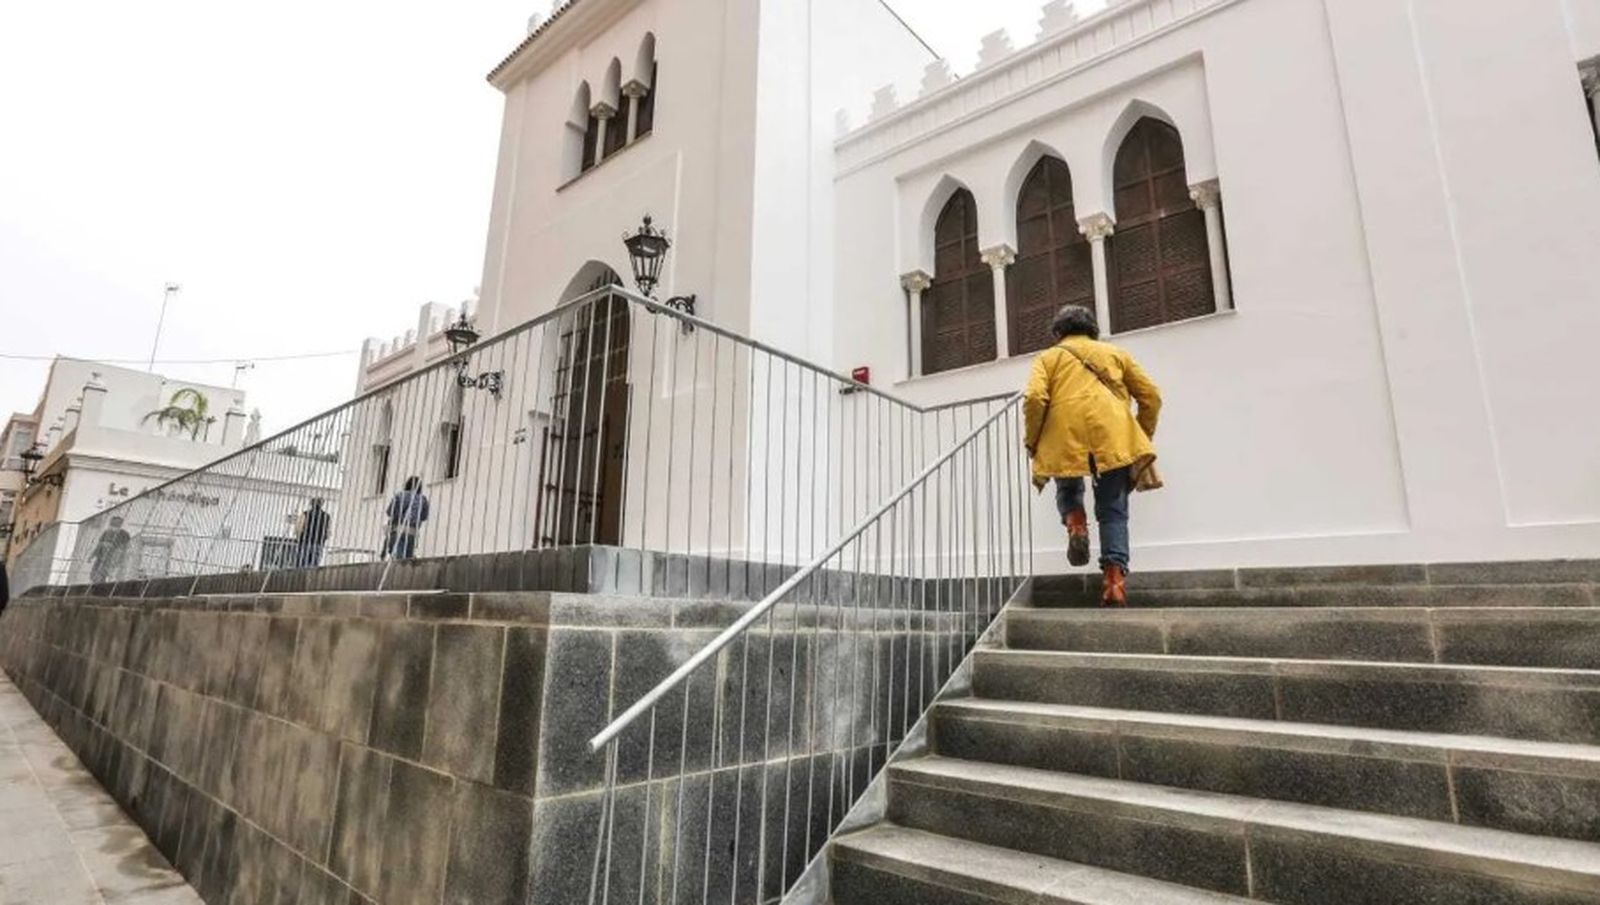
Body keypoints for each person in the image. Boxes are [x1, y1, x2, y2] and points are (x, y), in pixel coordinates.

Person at [1023, 305, 1162, 606]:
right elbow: (1151, 396)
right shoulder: (1114, 354)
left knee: (1068, 487)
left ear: (1058, 333)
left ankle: (1076, 524)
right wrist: (1138, 435)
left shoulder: (1048, 358)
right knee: (1113, 509)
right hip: (1111, 434)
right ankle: (1114, 583)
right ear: (1092, 330)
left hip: (1064, 435)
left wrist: (1032, 440)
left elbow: (1035, 398)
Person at [384, 476, 430, 561]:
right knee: (408, 560)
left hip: (398, 530)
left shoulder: (399, 496)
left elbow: (389, 512)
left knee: (398, 559)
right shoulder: (423, 500)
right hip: (412, 532)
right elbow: (424, 517)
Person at [89, 516, 133, 585]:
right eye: (113, 525)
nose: (114, 528)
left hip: (113, 558)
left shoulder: (124, 534)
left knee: (109, 575)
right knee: (94, 574)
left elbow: (127, 547)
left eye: (117, 525)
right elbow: (99, 545)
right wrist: (92, 555)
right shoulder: (106, 532)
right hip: (102, 557)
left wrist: (123, 557)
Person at [295, 498, 332, 569]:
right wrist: (323, 539)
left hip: (305, 542)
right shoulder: (327, 516)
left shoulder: (305, 514)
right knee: (314, 566)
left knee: (301, 565)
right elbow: (328, 532)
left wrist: (299, 538)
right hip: (318, 543)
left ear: (311, 504)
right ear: (322, 504)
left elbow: (298, 528)